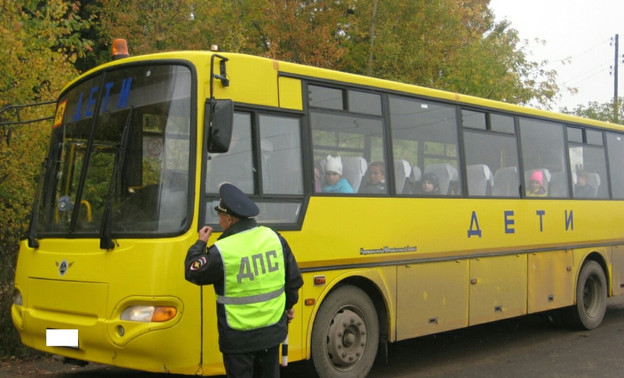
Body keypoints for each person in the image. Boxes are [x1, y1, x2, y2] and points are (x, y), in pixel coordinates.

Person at [185, 183, 303, 378]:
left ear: (229, 219)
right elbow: (293, 282)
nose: (220, 221)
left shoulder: (222, 251)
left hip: (239, 340)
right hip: (272, 333)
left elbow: (192, 271)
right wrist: (286, 308)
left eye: (220, 216)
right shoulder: (274, 238)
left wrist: (200, 244)